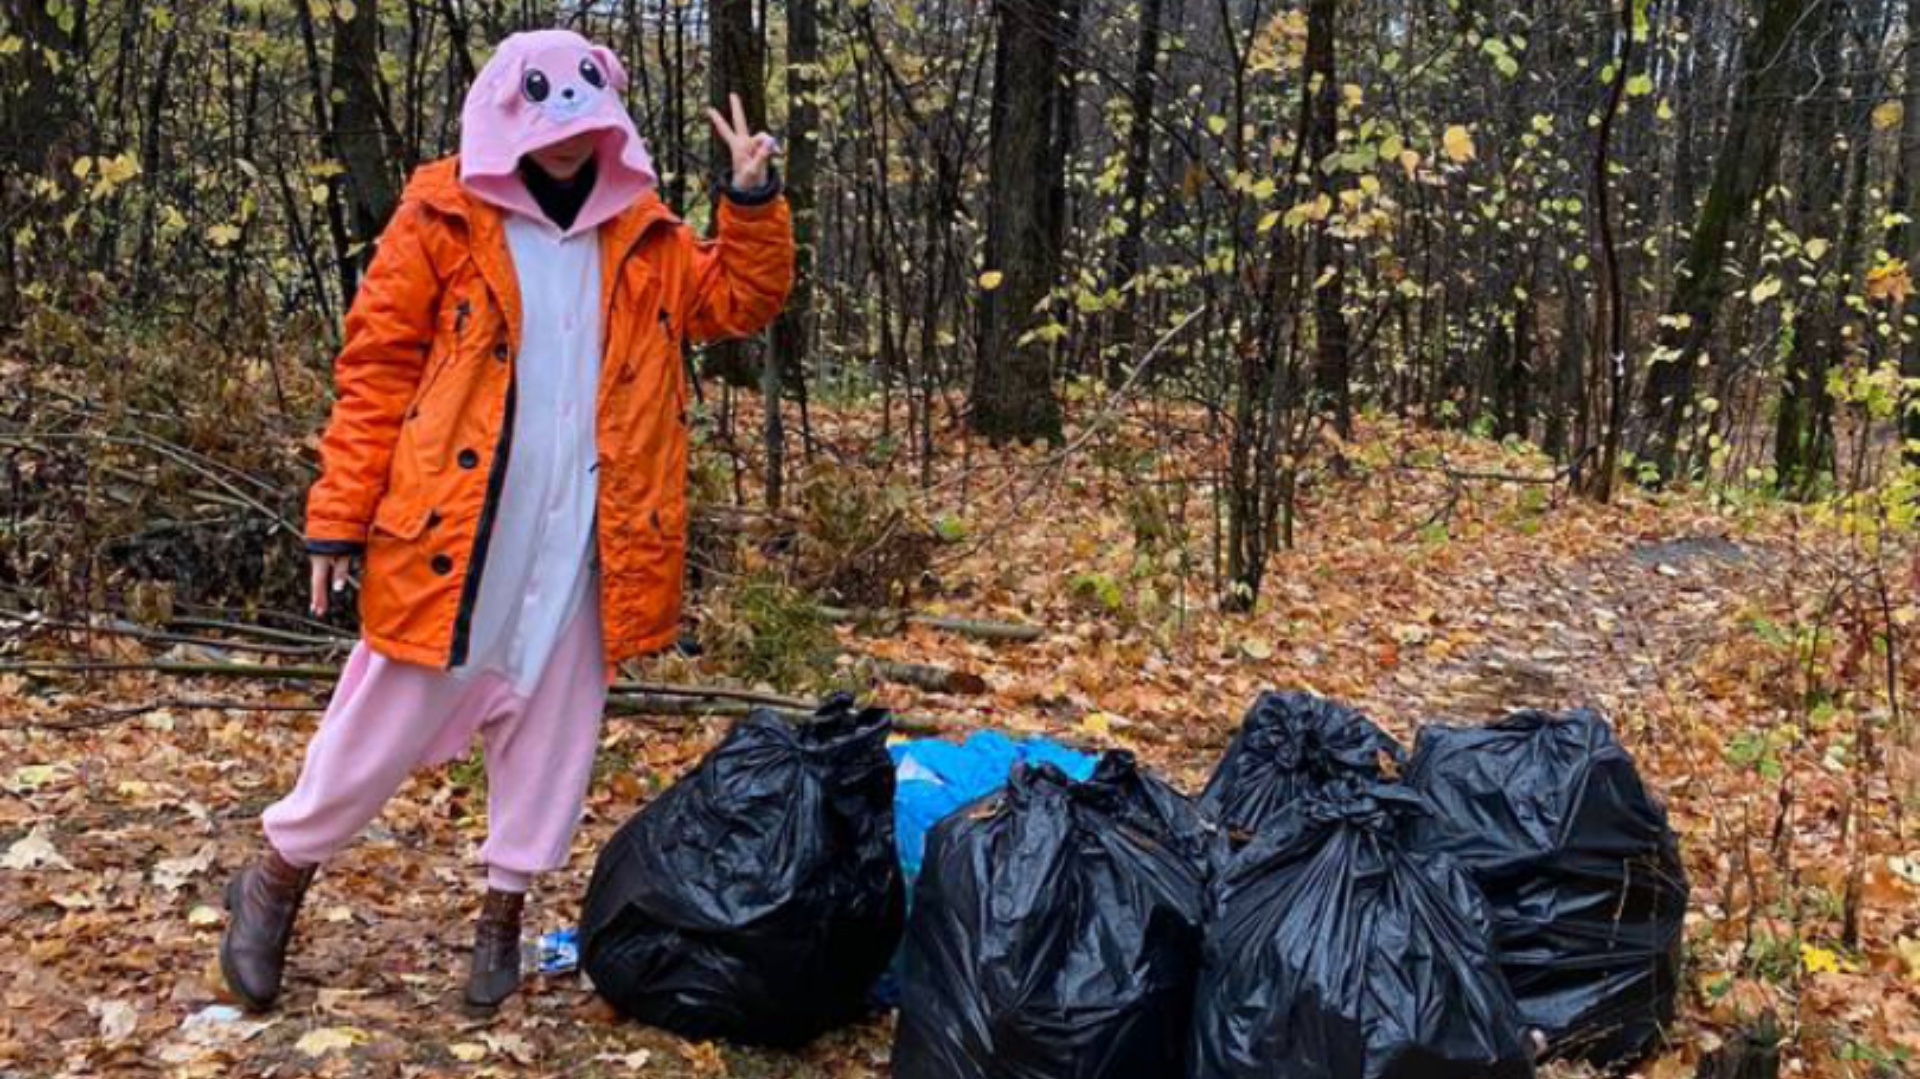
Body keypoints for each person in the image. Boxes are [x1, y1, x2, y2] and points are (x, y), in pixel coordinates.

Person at [218, 28, 793, 1014]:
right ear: (504, 112)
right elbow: (376, 372)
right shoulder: (443, 214)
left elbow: (738, 299)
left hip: (584, 536)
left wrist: (749, 201)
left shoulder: (644, 232)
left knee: (556, 728)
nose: (569, 142)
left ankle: (503, 911)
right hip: (451, 531)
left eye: (587, 119)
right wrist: (337, 518)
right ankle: (278, 870)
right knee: (382, 715)